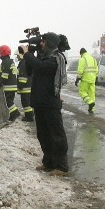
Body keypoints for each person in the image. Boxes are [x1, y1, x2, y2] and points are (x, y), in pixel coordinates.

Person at [24, 32, 69, 175]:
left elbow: (39, 66)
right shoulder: (43, 58)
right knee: (43, 134)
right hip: (40, 102)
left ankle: (61, 166)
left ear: (50, 43)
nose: (41, 44)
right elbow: (30, 69)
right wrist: (31, 53)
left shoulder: (56, 59)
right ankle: (48, 163)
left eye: (43, 42)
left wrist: (27, 54)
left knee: (56, 135)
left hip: (50, 102)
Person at [0, 45, 21, 121]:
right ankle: (12, 114)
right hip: (11, 86)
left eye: (0, 52)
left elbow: (5, 75)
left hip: (8, 86)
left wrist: (0, 84)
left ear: (3, 52)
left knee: (8, 101)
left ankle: (15, 113)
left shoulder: (6, 62)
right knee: (9, 100)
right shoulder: (9, 61)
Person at [75, 47, 98, 113]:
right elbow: (96, 70)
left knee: (82, 92)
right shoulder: (93, 59)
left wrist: (77, 79)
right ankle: (92, 109)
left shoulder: (82, 59)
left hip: (85, 79)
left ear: (81, 53)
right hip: (92, 79)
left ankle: (90, 103)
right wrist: (96, 78)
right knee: (92, 94)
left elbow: (80, 70)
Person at [16, 45, 34, 122]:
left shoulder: (23, 63)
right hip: (27, 88)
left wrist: (20, 86)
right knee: (26, 103)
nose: (17, 57)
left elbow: (23, 76)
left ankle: (29, 117)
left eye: (17, 55)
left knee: (26, 104)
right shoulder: (24, 62)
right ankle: (29, 115)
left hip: (25, 88)